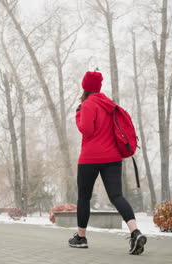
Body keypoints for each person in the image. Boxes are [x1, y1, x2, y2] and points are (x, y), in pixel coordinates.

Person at [68, 71, 147, 255]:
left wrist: (78, 115)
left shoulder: (87, 105)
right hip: (112, 158)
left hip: (90, 158)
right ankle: (135, 232)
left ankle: (81, 238)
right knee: (116, 196)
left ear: (84, 87)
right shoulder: (109, 104)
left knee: (84, 197)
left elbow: (86, 130)